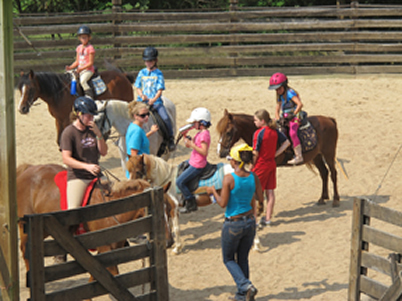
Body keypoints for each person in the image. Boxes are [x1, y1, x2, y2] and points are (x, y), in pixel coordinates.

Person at [206, 143, 263, 301]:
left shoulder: (229, 179)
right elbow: (259, 197)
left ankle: (246, 286)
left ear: (235, 161)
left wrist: (212, 192)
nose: (229, 161)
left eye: (230, 158)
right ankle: (242, 296)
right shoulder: (254, 177)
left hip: (233, 223)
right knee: (243, 258)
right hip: (250, 221)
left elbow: (223, 203)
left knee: (229, 259)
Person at [60, 96, 108, 210]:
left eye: (93, 116)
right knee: (73, 210)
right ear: (79, 114)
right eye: (89, 116)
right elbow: (66, 159)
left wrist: (99, 135)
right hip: (78, 176)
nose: (92, 119)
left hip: (96, 174)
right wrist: (87, 167)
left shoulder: (93, 129)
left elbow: (104, 152)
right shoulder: (69, 132)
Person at [252, 109, 290, 227]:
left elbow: (255, 152)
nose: (254, 122)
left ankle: (254, 221)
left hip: (261, 165)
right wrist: (275, 153)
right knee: (270, 192)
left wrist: (251, 165)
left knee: (254, 194)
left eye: (256, 120)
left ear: (262, 121)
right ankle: (268, 219)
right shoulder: (274, 131)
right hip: (271, 163)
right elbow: (287, 142)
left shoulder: (258, 133)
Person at [134, 46, 176, 152]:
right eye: (146, 61)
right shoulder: (141, 72)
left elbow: (160, 90)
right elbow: (138, 86)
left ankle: (170, 138)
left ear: (155, 61)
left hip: (155, 102)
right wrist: (142, 95)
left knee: (165, 118)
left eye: (150, 61)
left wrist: (154, 99)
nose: (148, 63)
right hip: (141, 102)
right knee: (128, 115)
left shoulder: (158, 73)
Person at [176, 107, 212, 213]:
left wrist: (192, 145)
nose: (193, 124)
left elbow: (204, 152)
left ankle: (190, 202)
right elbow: (192, 146)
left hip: (198, 164)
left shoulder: (204, 134)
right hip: (193, 160)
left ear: (201, 122)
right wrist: (186, 137)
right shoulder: (200, 133)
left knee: (180, 182)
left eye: (195, 122)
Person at [269, 72, 304, 164]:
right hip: (284, 116)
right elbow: (277, 110)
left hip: (295, 116)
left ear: (284, 85)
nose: (277, 91)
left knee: (292, 133)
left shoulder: (290, 93)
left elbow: (299, 104)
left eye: (279, 88)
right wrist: (277, 118)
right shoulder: (280, 96)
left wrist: (293, 114)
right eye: (276, 89)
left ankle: (298, 155)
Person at [125, 101, 158, 178]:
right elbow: (134, 153)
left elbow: (139, 140)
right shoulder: (137, 131)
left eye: (148, 114)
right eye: (143, 115)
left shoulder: (134, 126)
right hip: (138, 170)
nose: (146, 117)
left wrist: (151, 132)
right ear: (135, 116)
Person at [66, 25, 95, 99]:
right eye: (82, 37)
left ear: (89, 38)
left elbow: (90, 63)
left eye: (85, 37)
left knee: (83, 81)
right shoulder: (78, 48)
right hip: (80, 69)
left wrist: (81, 69)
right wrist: (70, 67)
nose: (84, 39)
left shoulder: (90, 48)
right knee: (70, 76)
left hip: (88, 70)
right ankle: (73, 94)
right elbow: (77, 61)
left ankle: (89, 96)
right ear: (79, 38)